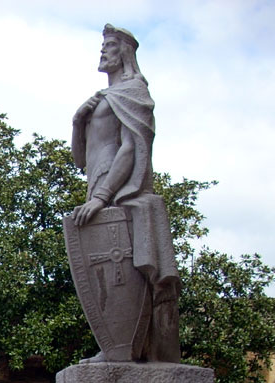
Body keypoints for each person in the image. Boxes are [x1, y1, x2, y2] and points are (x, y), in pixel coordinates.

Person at [69, 24, 181, 363]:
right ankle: (118, 347)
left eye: (110, 46)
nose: (102, 52)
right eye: (102, 46)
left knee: (126, 268)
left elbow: (131, 149)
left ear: (126, 53)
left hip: (120, 191)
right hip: (97, 184)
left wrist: (102, 196)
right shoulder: (101, 99)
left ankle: (126, 350)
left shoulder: (134, 93)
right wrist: (77, 122)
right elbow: (80, 159)